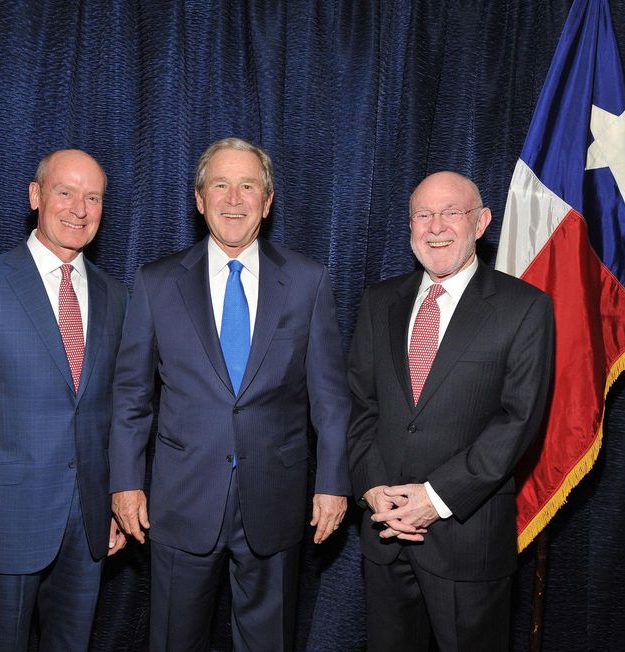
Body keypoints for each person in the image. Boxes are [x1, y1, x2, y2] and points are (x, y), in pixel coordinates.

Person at [109, 137, 350, 651]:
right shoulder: (156, 283)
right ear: (199, 200)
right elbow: (132, 395)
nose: (234, 199)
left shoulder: (308, 281)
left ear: (267, 202)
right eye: (220, 185)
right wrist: (126, 482)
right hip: (180, 501)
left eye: (248, 186)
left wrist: (333, 482)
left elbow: (330, 398)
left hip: (276, 499)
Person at [347, 171, 554, 651]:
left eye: (451, 213)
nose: (435, 226)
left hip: (466, 538)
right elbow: (360, 404)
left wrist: (435, 499)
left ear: (480, 222)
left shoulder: (524, 307)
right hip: (384, 533)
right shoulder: (380, 302)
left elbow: (518, 420)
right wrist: (372, 487)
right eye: (423, 214)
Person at [0, 149, 128, 651]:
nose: (78, 209)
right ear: (36, 196)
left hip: (86, 528)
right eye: (65, 193)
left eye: (93, 197)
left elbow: (114, 412)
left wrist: (111, 502)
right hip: (0, 526)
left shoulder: (116, 297)